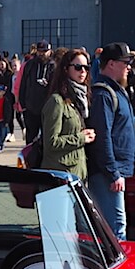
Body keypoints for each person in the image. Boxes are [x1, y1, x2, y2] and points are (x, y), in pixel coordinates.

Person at [85, 42, 135, 240]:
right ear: (110, 64)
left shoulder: (115, 91)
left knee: (114, 228)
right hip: (107, 174)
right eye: (125, 62)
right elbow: (102, 137)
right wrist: (113, 172)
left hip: (113, 172)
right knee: (116, 231)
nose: (129, 66)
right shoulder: (103, 93)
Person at [41, 48, 97, 179]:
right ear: (66, 69)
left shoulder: (81, 99)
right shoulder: (57, 101)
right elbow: (51, 142)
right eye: (78, 67)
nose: (83, 71)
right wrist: (81, 138)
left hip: (78, 172)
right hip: (60, 175)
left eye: (86, 67)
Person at [17, 40, 54, 143]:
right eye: (40, 51)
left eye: (45, 51)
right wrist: (23, 105)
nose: (42, 54)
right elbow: (23, 84)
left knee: (47, 138)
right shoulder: (30, 65)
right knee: (31, 139)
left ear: (50, 51)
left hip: (47, 110)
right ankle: (29, 158)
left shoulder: (53, 67)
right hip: (31, 108)